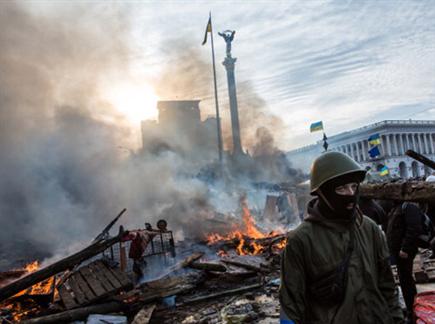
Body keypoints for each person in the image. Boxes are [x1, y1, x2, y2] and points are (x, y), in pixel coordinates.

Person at [279, 151, 403, 324]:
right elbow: (291, 307)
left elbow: (388, 287)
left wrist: (397, 320)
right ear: (322, 193)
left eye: (353, 186)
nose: (350, 194)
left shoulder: (369, 228)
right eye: (341, 188)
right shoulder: (301, 240)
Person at [386, 201, 425, 322]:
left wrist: (405, 248)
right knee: (404, 279)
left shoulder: (409, 207)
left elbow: (414, 228)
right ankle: (410, 308)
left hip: (404, 252)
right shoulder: (397, 207)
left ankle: (411, 309)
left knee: (407, 280)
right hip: (397, 251)